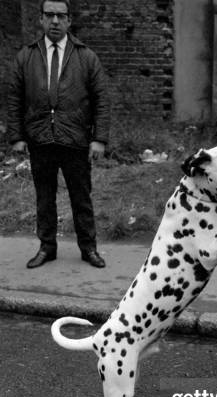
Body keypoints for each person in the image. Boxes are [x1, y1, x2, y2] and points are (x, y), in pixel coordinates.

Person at [7, 0, 110, 268]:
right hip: (40, 138)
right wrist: (17, 136)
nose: (55, 21)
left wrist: (99, 138)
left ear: (69, 20)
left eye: (60, 16)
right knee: (44, 197)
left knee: (81, 197)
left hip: (75, 138)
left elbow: (102, 99)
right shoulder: (26, 56)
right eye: (49, 15)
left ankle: (89, 248)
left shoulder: (86, 56)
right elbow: (14, 98)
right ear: (40, 19)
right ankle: (47, 247)